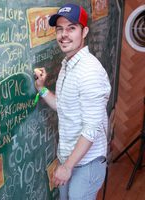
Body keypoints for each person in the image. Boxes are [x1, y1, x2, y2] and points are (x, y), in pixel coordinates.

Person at [34, 3, 111, 200]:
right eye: (59, 29)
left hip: (87, 164)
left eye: (71, 28)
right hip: (71, 160)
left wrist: (67, 166)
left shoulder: (89, 72)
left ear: (84, 32)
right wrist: (41, 89)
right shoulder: (68, 65)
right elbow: (63, 107)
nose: (64, 34)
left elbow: (91, 127)